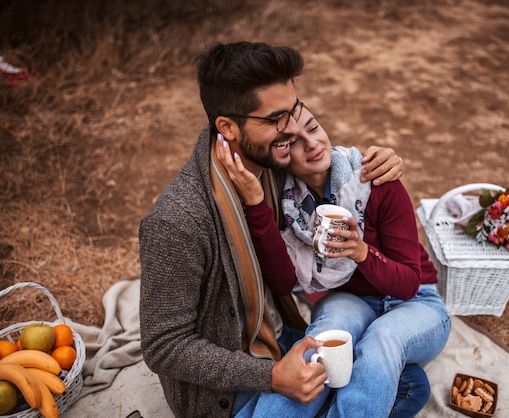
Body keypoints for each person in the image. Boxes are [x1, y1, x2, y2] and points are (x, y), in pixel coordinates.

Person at [139, 41, 405, 418]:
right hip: (230, 386)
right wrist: (272, 376)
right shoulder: (177, 221)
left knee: (405, 382)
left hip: (281, 336)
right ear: (227, 127)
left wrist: (382, 161)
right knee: (381, 389)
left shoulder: (276, 169)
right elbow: (162, 346)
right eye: (276, 118)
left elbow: (334, 166)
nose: (292, 128)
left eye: (293, 110)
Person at [218, 103, 451, 417]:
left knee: (381, 339)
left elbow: (409, 283)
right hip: (353, 299)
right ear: (281, 154)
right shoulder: (286, 206)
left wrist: (361, 252)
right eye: (295, 141)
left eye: (313, 129)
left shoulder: (375, 180)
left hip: (417, 301)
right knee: (323, 338)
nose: (312, 143)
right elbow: (284, 283)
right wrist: (257, 204)